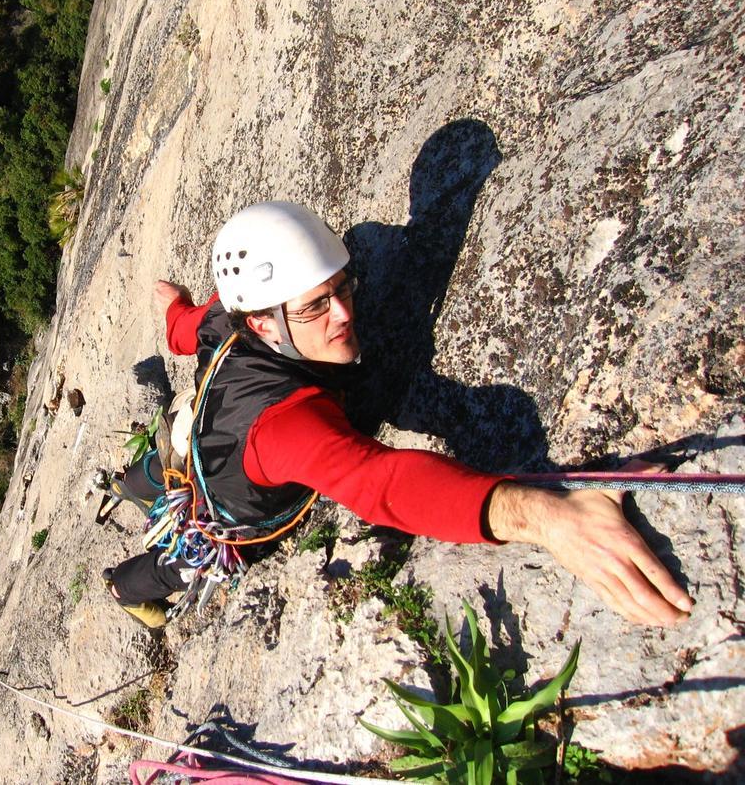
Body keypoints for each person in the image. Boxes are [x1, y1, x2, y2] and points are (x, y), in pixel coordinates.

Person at [105, 201, 693, 630]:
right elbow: (380, 482)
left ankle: (134, 484)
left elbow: (183, 330)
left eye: (343, 287)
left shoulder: (223, 317)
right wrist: (549, 517)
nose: (343, 314)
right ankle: (126, 587)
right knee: (181, 563)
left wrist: (174, 304)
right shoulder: (285, 425)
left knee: (166, 467)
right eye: (315, 306)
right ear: (262, 323)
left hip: (198, 441)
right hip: (236, 499)